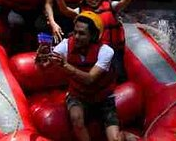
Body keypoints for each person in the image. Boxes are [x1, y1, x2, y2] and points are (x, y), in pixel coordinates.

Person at [39, 11, 121, 141]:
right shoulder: (65, 45)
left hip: (103, 98)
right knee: (76, 119)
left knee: (115, 139)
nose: (76, 36)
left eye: (82, 33)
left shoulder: (105, 51)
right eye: (75, 31)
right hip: (78, 95)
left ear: (93, 35)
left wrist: (66, 66)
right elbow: (44, 66)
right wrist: (40, 60)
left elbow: (90, 79)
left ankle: (125, 135)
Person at [52, 0, 140, 80]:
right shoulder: (80, 11)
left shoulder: (112, 6)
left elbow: (123, 3)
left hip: (114, 49)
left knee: (119, 75)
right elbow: (65, 10)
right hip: (94, 51)